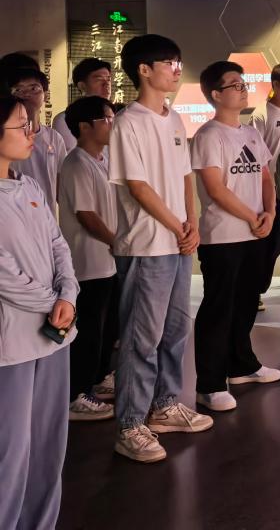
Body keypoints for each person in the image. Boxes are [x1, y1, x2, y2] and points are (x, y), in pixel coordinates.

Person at [108, 34, 211, 464]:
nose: (176, 69)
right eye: (169, 62)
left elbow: (185, 176)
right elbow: (137, 186)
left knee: (174, 330)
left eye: (178, 61)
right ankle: (129, 425)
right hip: (147, 244)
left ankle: (165, 405)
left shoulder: (174, 119)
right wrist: (176, 225)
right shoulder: (128, 122)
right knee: (141, 338)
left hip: (178, 241)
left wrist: (192, 223)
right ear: (144, 70)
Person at [0, 96, 79, 530]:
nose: (32, 134)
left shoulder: (29, 186)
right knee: (10, 451)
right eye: (21, 126)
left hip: (53, 336)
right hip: (11, 345)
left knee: (49, 445)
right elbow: (4, 275)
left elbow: (57, 244)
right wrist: (53, 303)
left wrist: (68, 293)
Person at [191, 60, 280, 413]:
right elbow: (215, 189)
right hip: (223, 237)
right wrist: (252, 216)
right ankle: (210, 384)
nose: (243, 89)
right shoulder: (208, 135)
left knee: (245, 303)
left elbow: (265, 177)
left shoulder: (251, 133)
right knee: (219, 308)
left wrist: (270, 212)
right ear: (216, 95)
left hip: (255, 233)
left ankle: (242, 365)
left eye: (244, 83)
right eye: (235, 85)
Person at [59, 96, 119, 423]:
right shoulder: (76, 163)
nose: (112, 124)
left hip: (108, 260)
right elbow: (86, 215)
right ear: (84, 127)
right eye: (106, 119)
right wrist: (117, 242)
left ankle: (96, 380)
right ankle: (76, 395)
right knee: (88, 331)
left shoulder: (103, 159)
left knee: (106, 328)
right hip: (89, 262)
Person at [250, 63, 280, 311]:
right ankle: (255, 291)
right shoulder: (261, 114)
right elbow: (255, 154)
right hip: (270, 192)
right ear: (276, 84)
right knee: (269, 245)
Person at [6, 67, 67, 214]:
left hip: (47, 216)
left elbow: (60, 184)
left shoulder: (54, 138)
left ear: (45, 95)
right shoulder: (7, 136)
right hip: (13, 213)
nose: (26, 94)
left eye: (33, 88)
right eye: (18, 89)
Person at [53, 58, 113, 151]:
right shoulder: (64, 119)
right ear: (82, 86)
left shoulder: (116, 116)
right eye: (99, 80)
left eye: (108, 79)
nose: (106, 84)